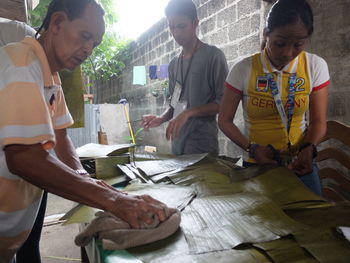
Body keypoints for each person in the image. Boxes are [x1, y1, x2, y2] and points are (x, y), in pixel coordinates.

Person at [0, 1, 173, 262]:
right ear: (57, 23)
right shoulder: (22, 64)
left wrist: (85, 179)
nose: (89, 49)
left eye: (95, 43)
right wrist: (114, 200)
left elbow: (60, 135)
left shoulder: (51, 78)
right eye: (85, 36)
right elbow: (25, 157)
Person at [218, 0, 330, 196]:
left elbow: (319, 122)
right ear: (266, 34)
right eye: (280, 43)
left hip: (300, 164)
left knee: (312, 219)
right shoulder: (244, 69)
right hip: (257, 164)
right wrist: (252, 149)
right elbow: (224, 121)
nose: (287, 53)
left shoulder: (315, 66)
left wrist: (309, 148)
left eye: (298, 45)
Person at [142, 0, 228, 155]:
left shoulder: (213, 56)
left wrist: (189, 112)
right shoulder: (174, 64)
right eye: (172, 27)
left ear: (195, 23)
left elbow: (223, 104)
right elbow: (173, 104)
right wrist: (160, 118)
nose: (176, 33)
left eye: (181, 26)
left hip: (202, 148)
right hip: (177, 145)